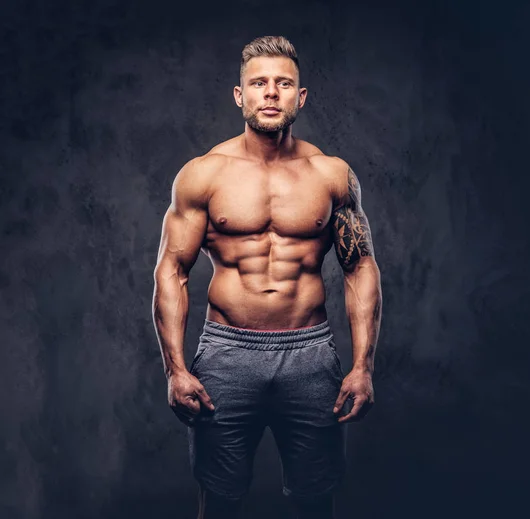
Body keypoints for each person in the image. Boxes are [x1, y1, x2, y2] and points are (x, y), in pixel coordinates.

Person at [152, 35, 382, 519]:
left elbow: (360, 267)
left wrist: (363, 366)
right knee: (220, 498)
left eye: (283, 84)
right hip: (227, 354)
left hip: (310, 354)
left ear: (300, 97)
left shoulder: (332, 175)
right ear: (241, 96)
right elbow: (172, 271)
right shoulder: (203, 174)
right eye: (259, 84)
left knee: (315, 498)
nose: (271, 93)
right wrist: (175, 370)